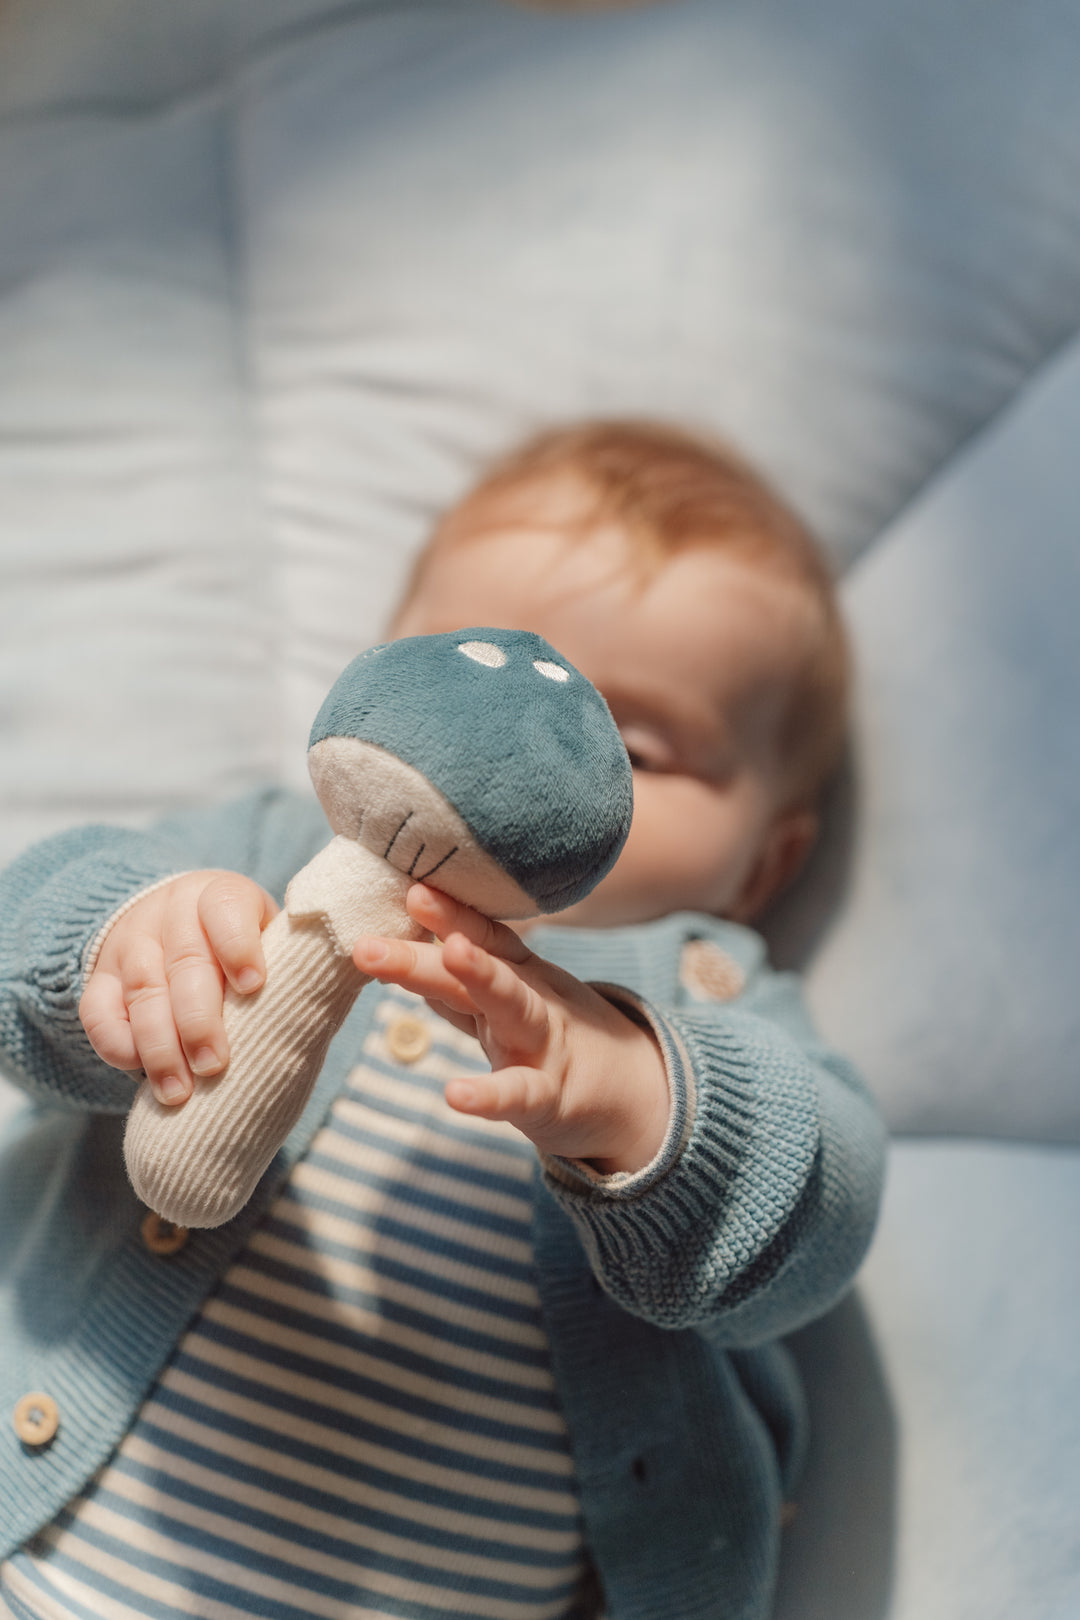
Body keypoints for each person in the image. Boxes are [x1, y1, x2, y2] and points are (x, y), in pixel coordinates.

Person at [0, 420, 886, 1620]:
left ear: (764, 863)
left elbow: (824, 1213)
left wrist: (637, 1095)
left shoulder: (704, 990)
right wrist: (117, 944)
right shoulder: (267, 851)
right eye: (464, 677)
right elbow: (30, 922)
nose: (508, 757)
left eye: (632, 748)